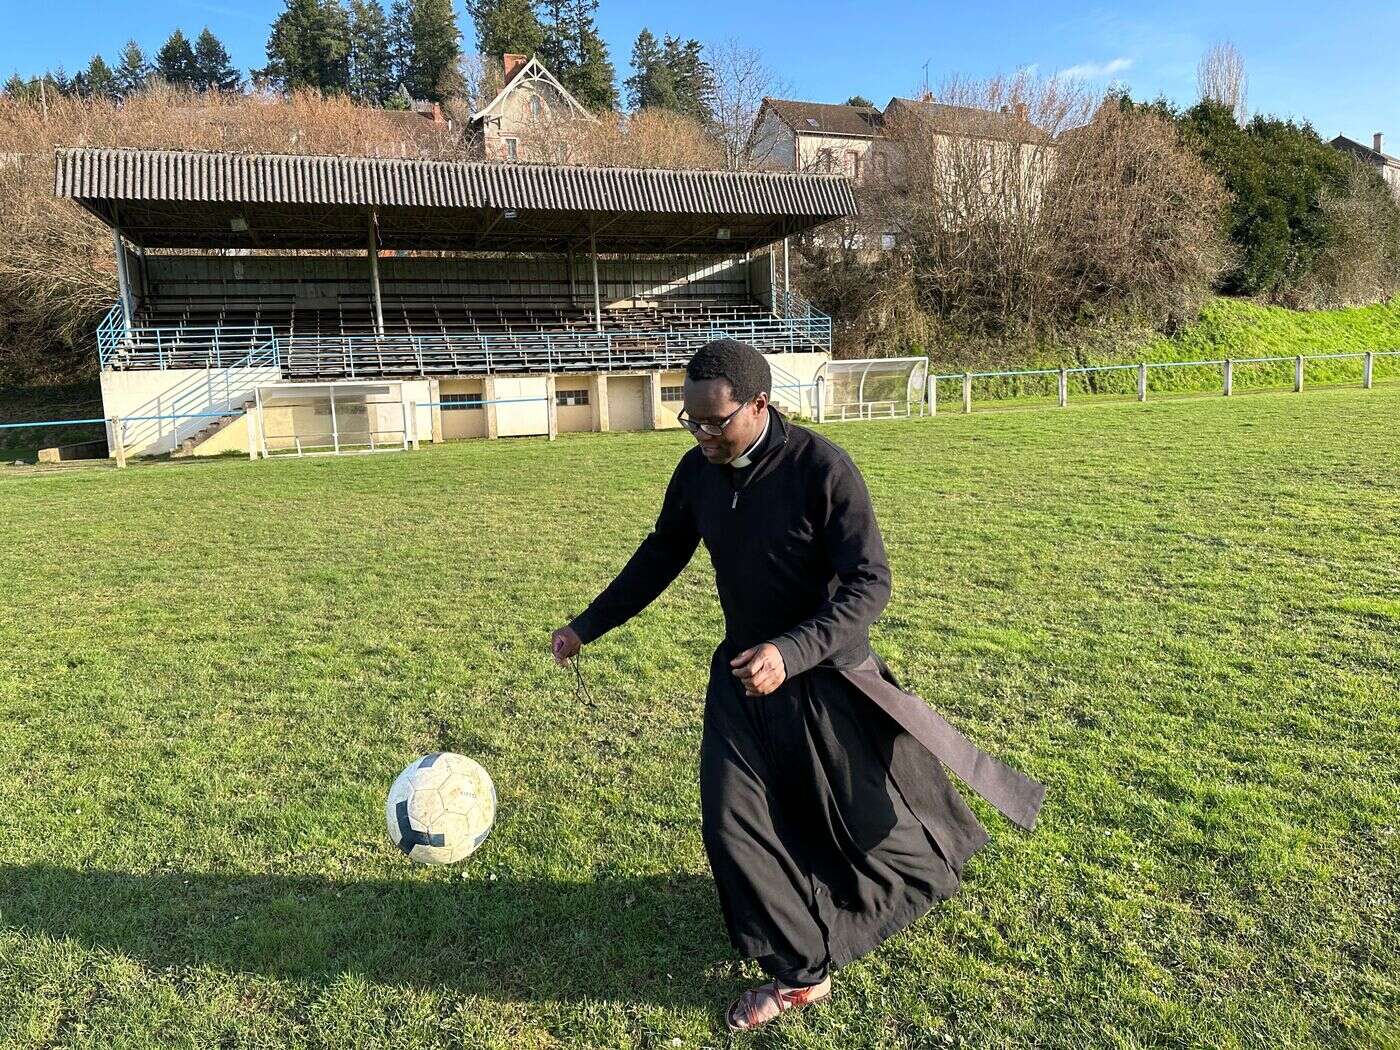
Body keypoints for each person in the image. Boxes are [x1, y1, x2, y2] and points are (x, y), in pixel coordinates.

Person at [550, 339, 1044, 1033]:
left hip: (826, 677)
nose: (701, 435)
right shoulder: (697, 473)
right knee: (731, 824)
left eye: (714, 422)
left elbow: (872, 583)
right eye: (689, 421)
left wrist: (792, 649)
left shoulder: (822, 469)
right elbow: (661, 553)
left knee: (864, 823)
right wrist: (587, 625)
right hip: (742, 681)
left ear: (759, 404)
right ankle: (801, 975)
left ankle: (913, 876)